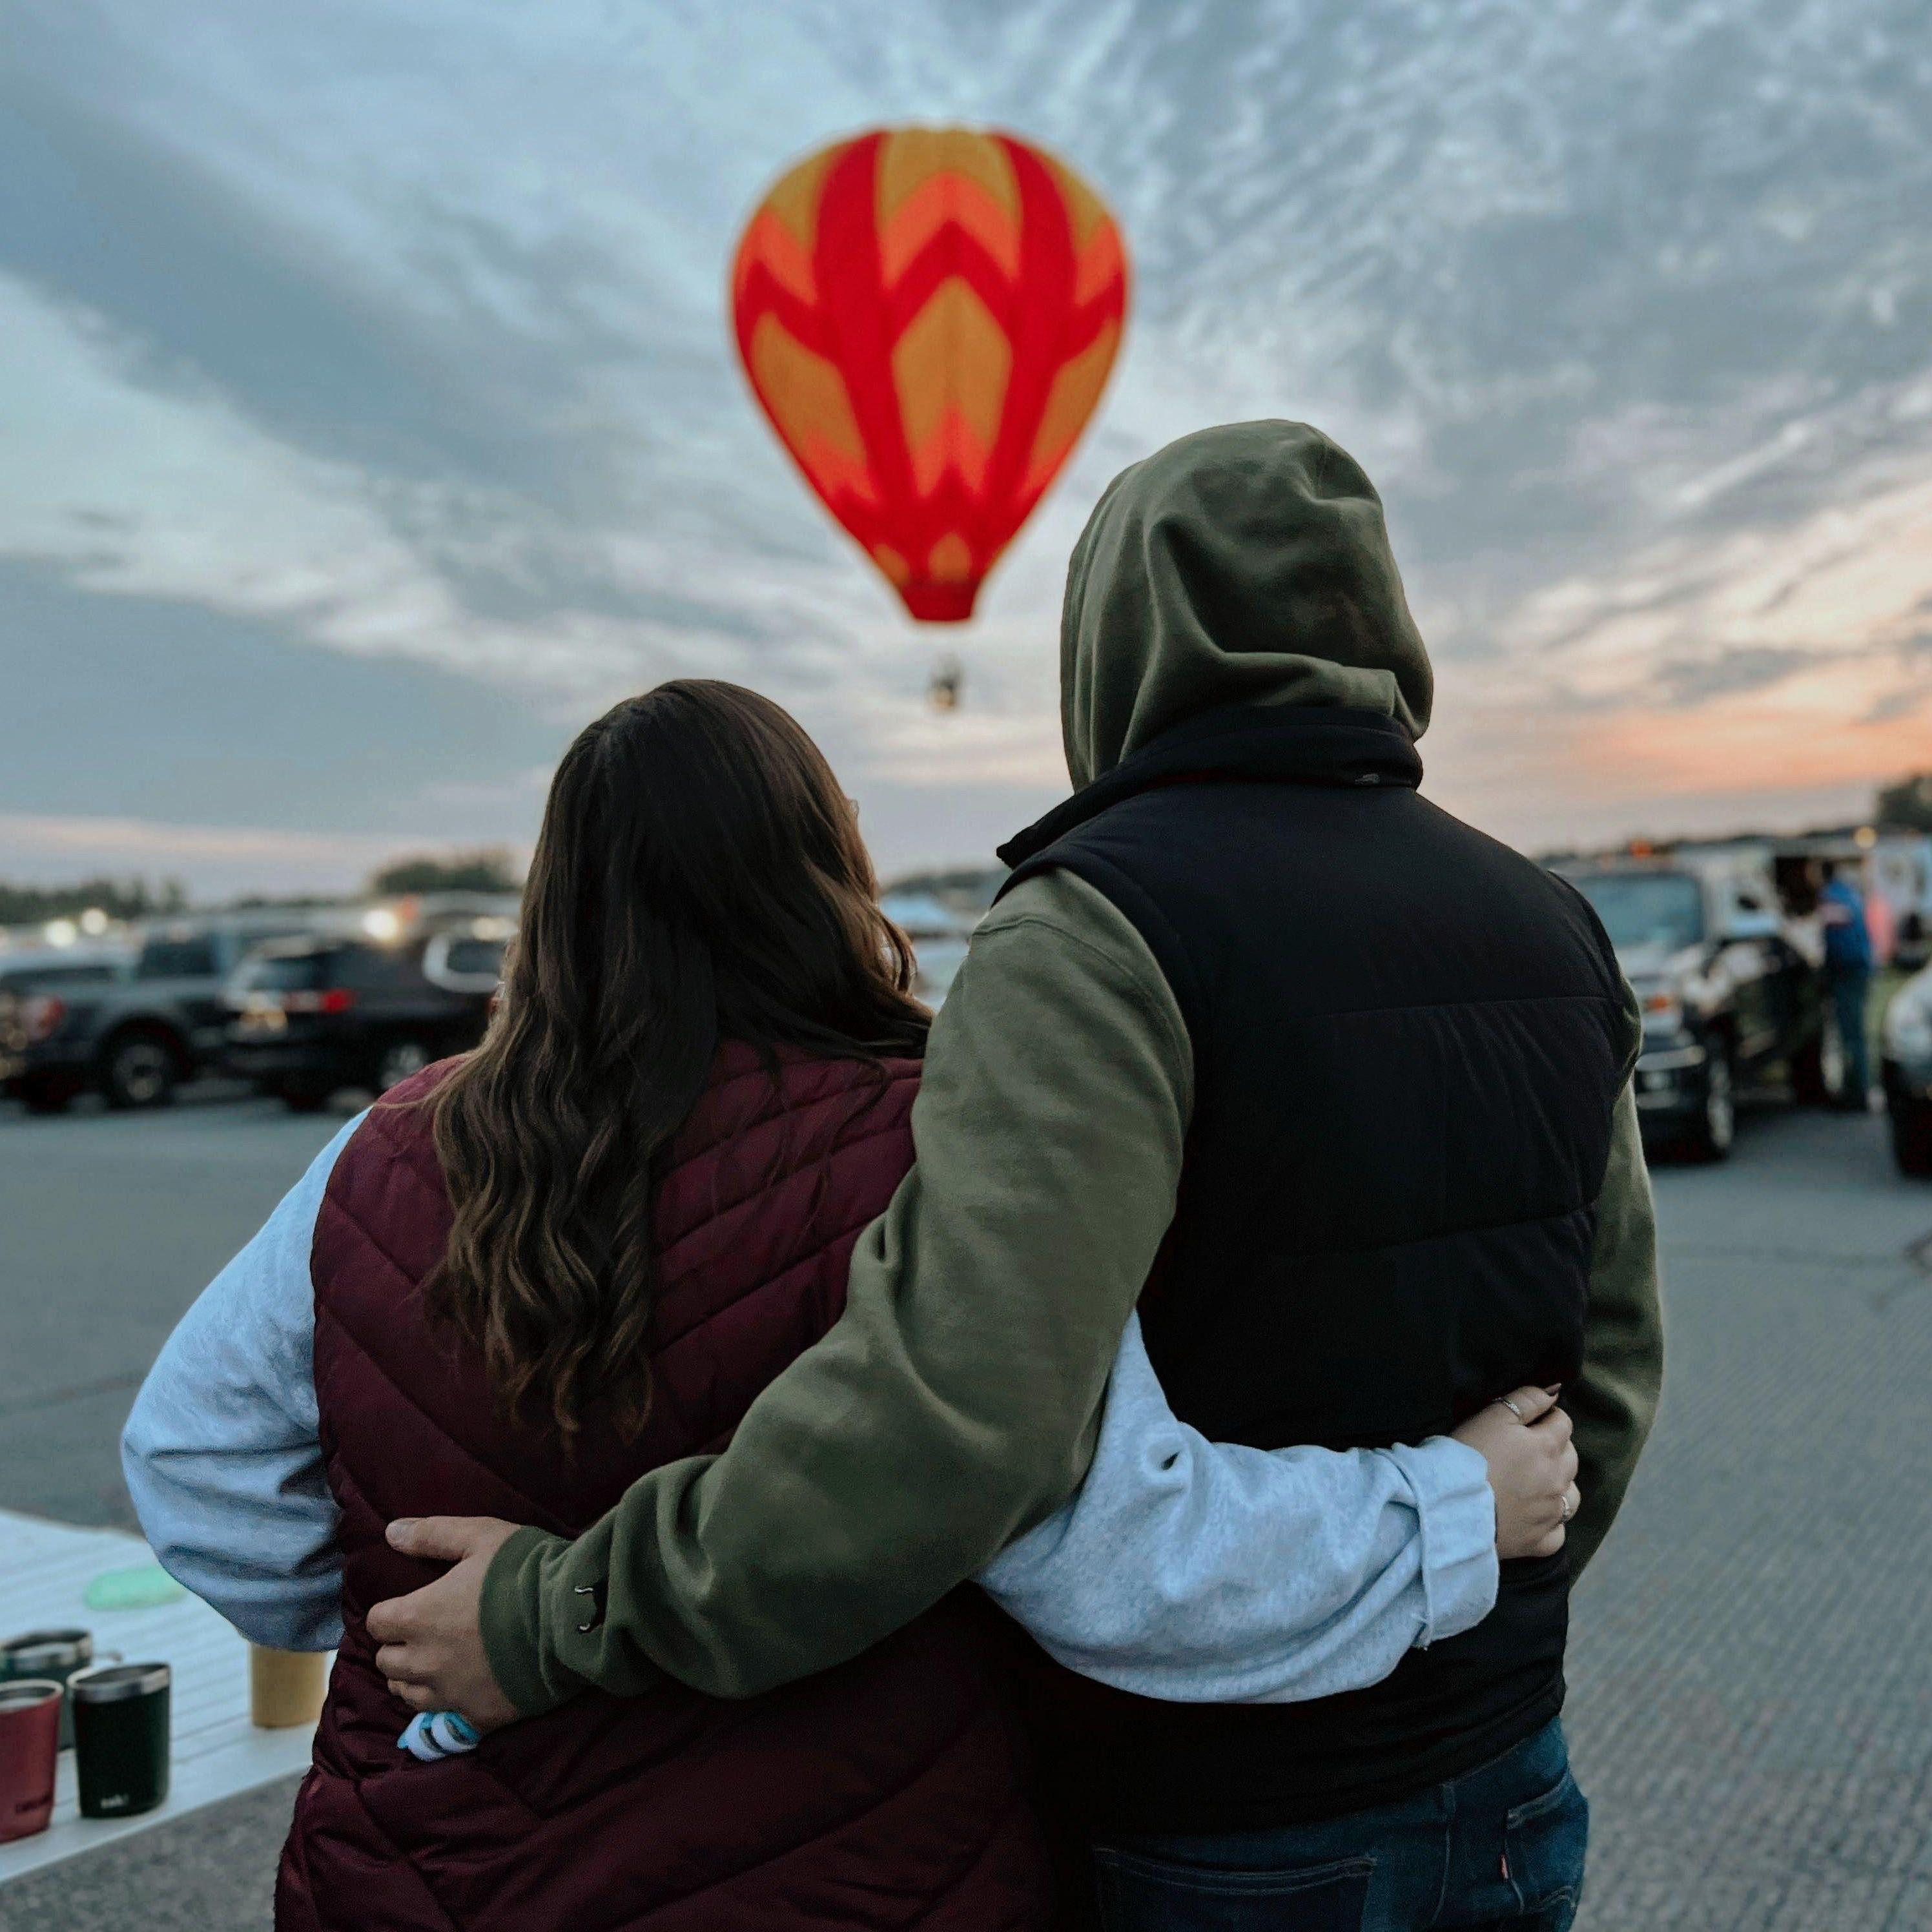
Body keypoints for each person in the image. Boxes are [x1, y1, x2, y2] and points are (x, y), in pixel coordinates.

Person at [371, 424, 1662, 1931]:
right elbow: (1612, 1365)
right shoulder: (1549, 920)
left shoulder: (1100, 924)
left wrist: (563, 1613)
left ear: (1110, 637)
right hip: (1508, 1776)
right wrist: (1476, 1601)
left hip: (1224, 1827)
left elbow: (954, 1420)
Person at [124, 680, 1581, 1931]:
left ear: (553, 892)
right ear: (824, 864)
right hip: (840, 1866)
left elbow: (192, 1464)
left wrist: (426, 1621)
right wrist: (1448, 1499)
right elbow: (1117, 1565)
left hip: (421, 1862)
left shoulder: (385, 1143)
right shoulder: (929, 1145)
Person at [1818, 858, 1875, 1108]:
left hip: (1847, 973)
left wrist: (1827, 971)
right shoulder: (1849, 893)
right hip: (1860, 969)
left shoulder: (1831, 897)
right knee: (1857, 1033)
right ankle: (1860, 1089)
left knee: (1851, 1035)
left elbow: (1837, 942)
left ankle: (1856, 1093)